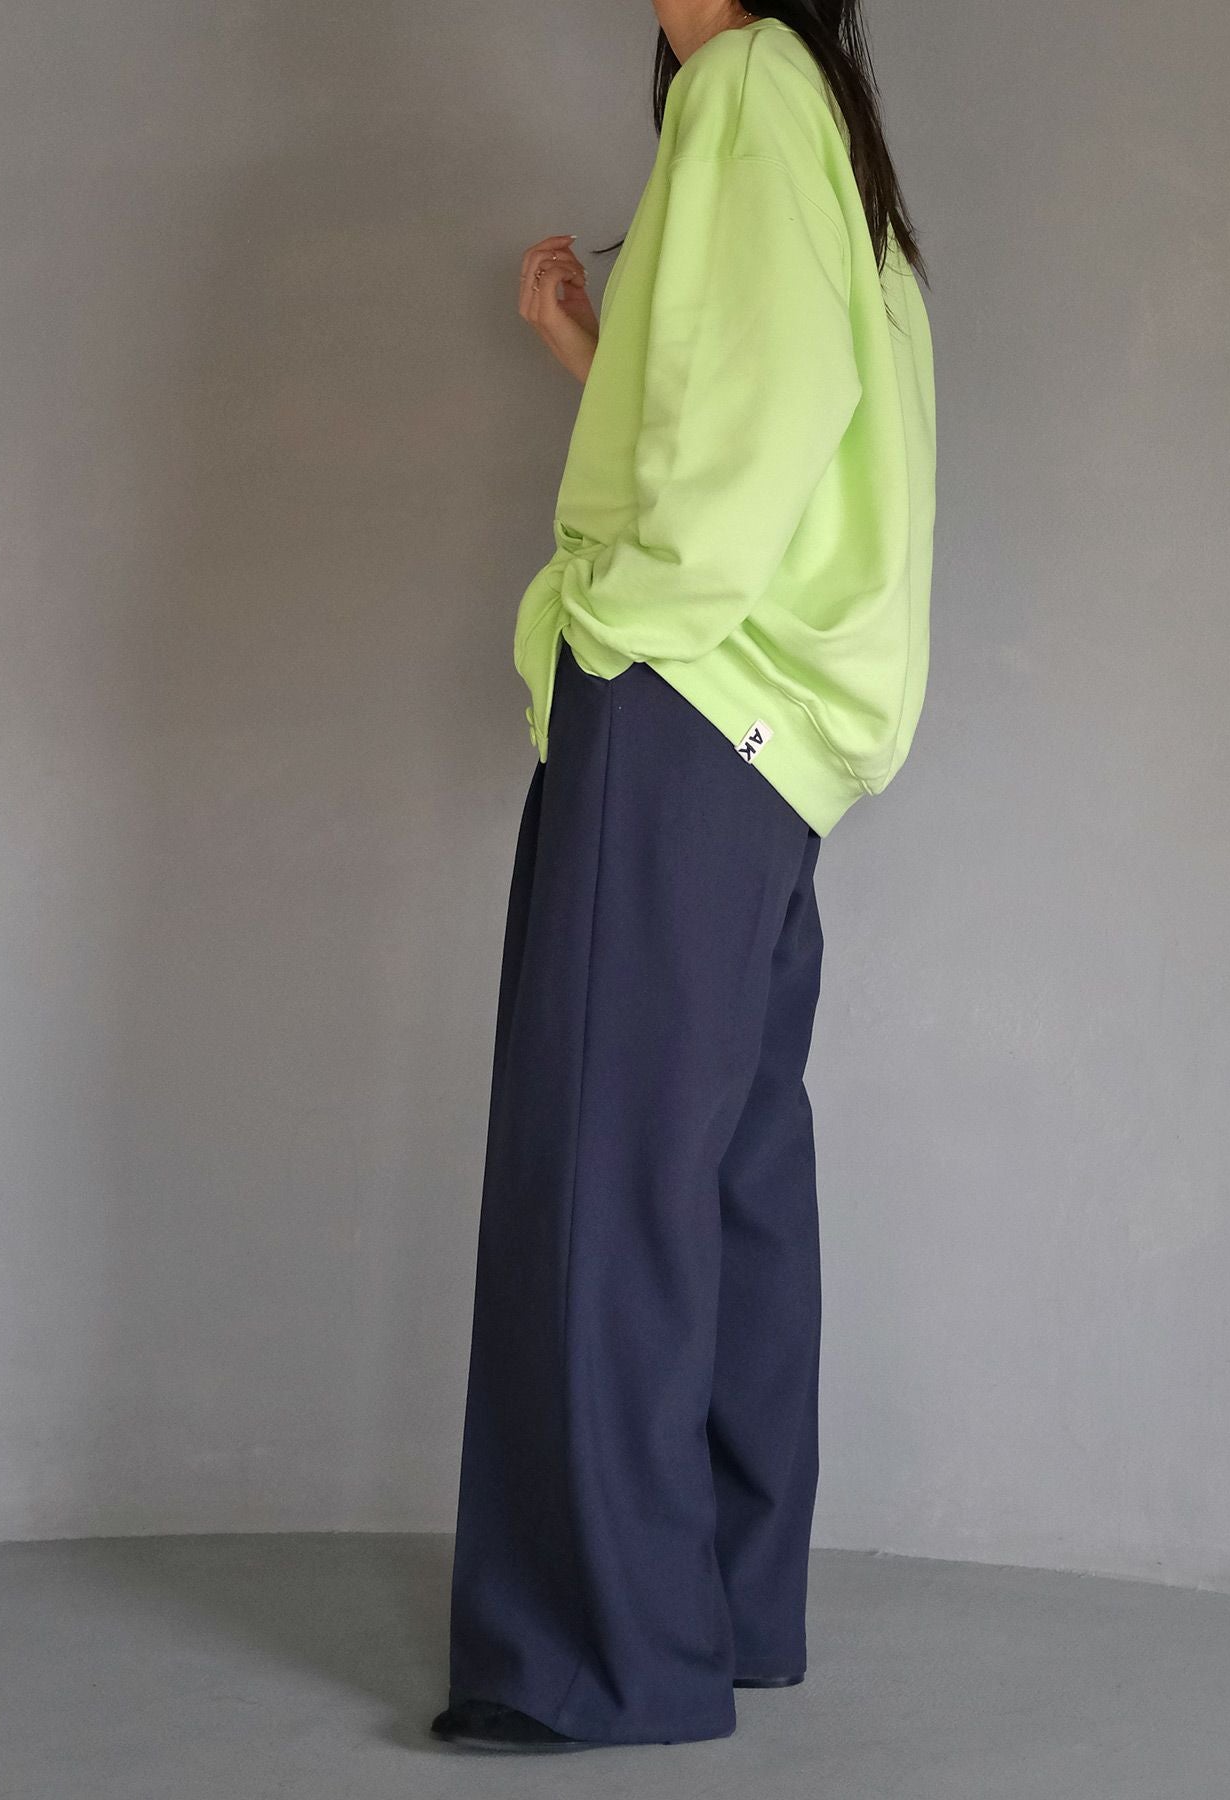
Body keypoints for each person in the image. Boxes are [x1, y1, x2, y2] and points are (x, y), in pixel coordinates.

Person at [431, 0, 935, 1753]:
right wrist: (595, 352)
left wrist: (613, 621)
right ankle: (718, 1607)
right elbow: (785, 407)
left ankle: (601, 1654)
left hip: (684, 702)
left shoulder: (744, 83)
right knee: (723, 1177)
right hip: (772, 739)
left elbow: (759, 428)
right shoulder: (819, 118)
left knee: (608, 1173)